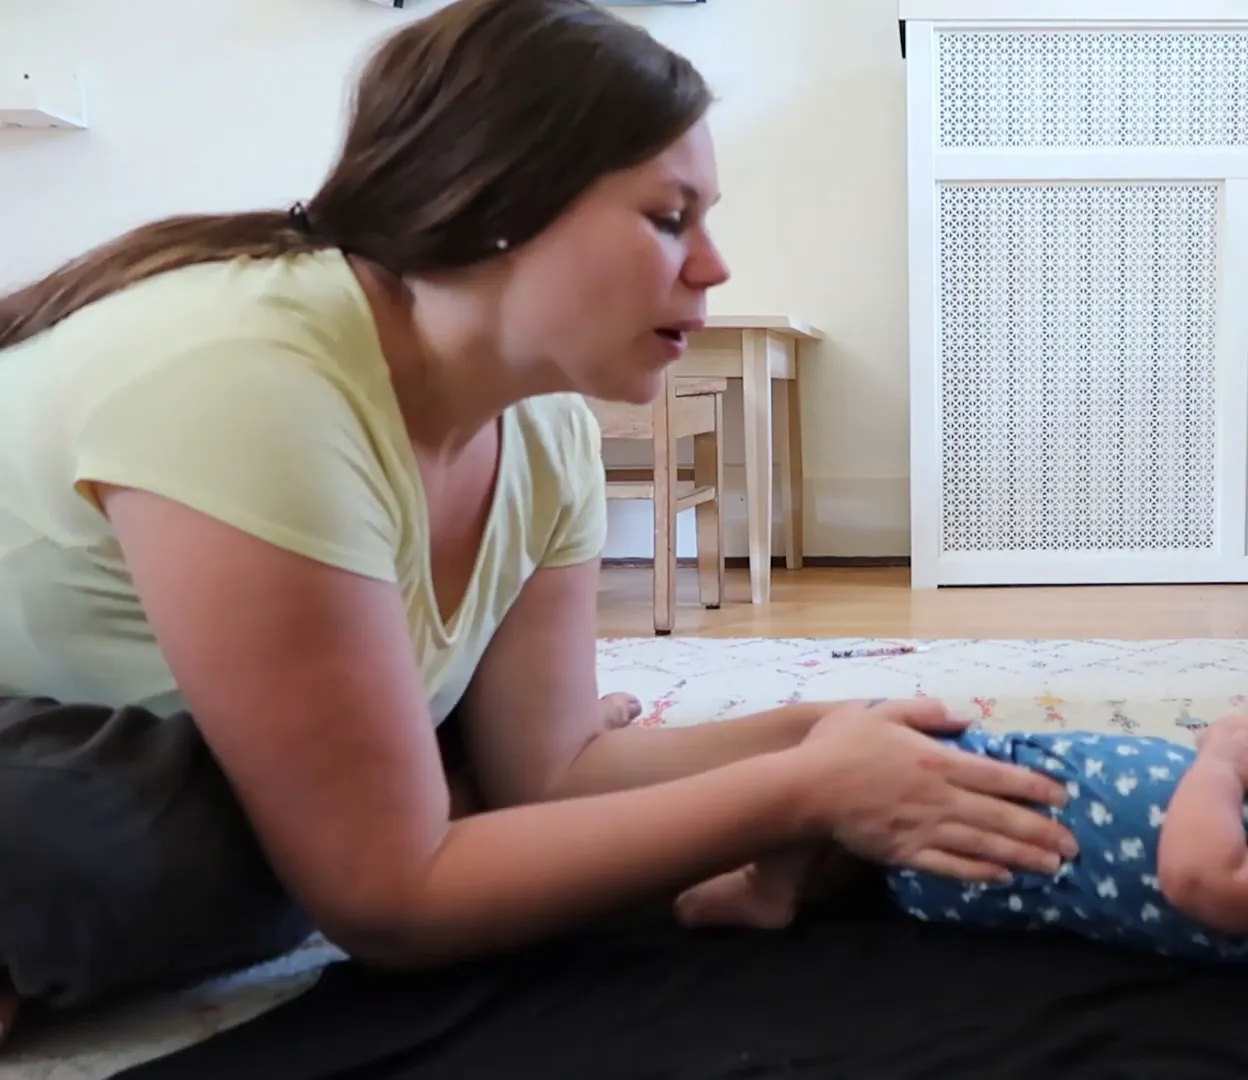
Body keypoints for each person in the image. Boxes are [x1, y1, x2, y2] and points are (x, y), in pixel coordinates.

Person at [0, 0, 1080, 1045]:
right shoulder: (252, 380)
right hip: (50, 754)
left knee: (375, 800)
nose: (714, 265)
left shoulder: (545, 426)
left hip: (149, 740)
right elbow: (391, 901)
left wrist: (838, 734)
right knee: (153, 834)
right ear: (498, 201)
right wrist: (799, 794)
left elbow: (552, 774)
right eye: (670, 218)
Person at [675, 715, 1248, 970]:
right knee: (853, 789)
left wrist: (1218, 770)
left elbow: (1202, 873)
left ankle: (769, 887)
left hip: (987, 822)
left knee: (842, 743)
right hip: (984, 818)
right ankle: (803, 863)